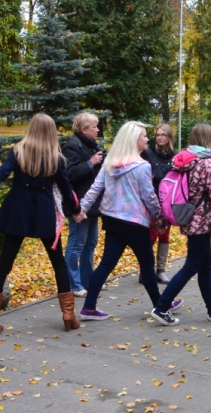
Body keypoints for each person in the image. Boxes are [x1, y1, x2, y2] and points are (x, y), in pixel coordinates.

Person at [0, 113, 78, 334]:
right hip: (44, 213)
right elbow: (66, 189)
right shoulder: (55, 159)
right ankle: (68, 314)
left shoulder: (18, 152)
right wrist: (76, 210)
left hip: (18, 212)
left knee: (5, 264)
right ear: (51, 132)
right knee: (59, 263)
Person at [75, 121, 179, 320]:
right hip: (135, 223)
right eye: (144, 136)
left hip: (112, 220)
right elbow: (149, 197)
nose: (147, 139)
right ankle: (161, 308)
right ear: (134, 140)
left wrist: (82, 209)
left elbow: (96, 188)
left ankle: (89, 308)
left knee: (106, 264)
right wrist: (160, 217)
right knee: (147, 266)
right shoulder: (142, 166)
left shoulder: (110, 162)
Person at [153, 124, 211, 327]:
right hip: (200, 220)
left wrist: (162, 220)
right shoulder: (206, 164)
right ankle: (161, 307)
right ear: (206, 140)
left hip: (188, 216)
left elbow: (167, 191)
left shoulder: (183, 160)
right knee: (192, 265)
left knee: (205, 265)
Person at [62, 112, 104, 297]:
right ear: (83, 129)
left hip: (93, 204)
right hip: (79, 204)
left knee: (91, 243)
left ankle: (88, 281)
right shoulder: (71, 146)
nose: (97, 129)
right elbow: (68, 173)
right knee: (77, 243)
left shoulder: (92, 146)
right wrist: (90, 163)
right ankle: (74, 284)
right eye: (94, 126)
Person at [141, 123, 177, 283]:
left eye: (163, 134)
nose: (160, 137)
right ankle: (146, 269)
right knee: (151, 235)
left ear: (169, 137)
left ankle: (161, 269)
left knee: (165, 235)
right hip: (152, 200)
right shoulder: (148, 153)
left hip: (168, 201)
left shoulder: (175, 156)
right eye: (158, 135)